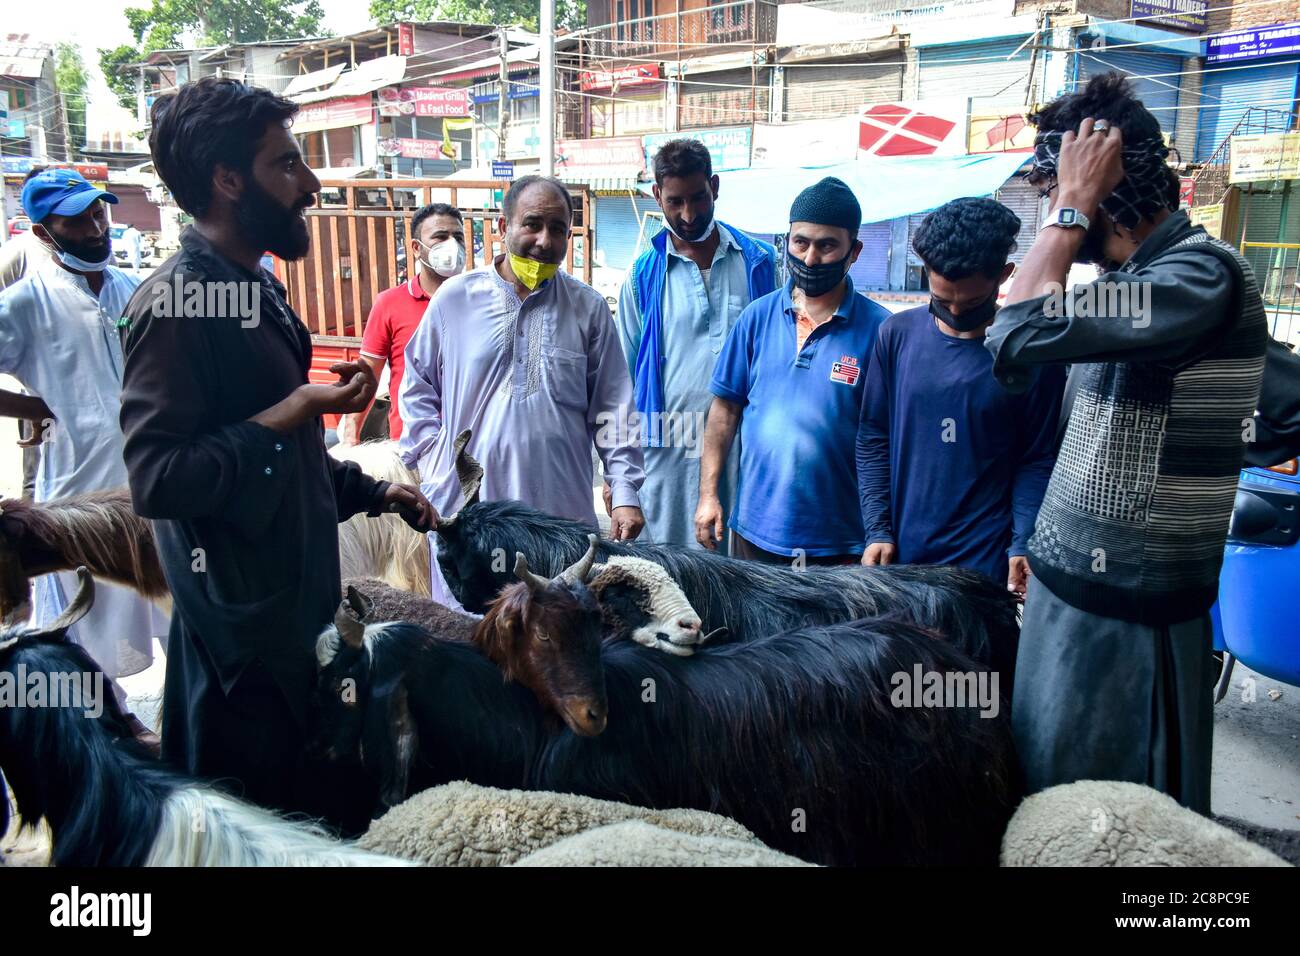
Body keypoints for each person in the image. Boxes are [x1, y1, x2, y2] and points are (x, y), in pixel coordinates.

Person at [118, 77, 435, 814]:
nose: (312, 184)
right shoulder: (174, 303)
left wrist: (369, 491)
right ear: (228, 180)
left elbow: (281, 460)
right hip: (243, 667)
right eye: (287, 164)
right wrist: (291, 410)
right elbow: (158, 480)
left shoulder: (255, 287)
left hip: (298, 636)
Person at [985, 73, 1269, 813]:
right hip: (1076, 594)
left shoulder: (1198, 275)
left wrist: (1070, 207)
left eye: (1061, 190)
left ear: (1107, 186)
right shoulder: (1143, 282)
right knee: (1049, 797)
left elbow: (1014, 327)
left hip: (1127, 617)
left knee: (1111, 823)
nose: (1055, 215)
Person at [399, 174, 646, 607]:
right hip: (470, 513)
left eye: (558, 229)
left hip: (560, 518)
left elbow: (614, 409)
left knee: (555, 639)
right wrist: (432, 463)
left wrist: (624, 494)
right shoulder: (455, 300)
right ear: (502, 227)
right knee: (474, 637)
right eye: (532, 224)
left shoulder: (587, 308)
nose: (544, 240)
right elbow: (417, 386)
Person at [0, 168, 167, 741]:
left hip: (149, 476)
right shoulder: (24, 304)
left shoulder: (130, 287)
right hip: (79, 481)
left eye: (99, 213)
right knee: (85, 601)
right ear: (47, 232)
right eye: (79, 219)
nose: (97, 227)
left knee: (172, 589)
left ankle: (194, 703)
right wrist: (35, 411)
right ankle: (115, 722)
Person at [857, 198, 1064, 594]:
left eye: (969, 302)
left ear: (1004, 276)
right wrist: (878, 529)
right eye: (941, 298)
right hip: (901, 559)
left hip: (984, 564)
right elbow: (873, 437)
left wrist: (1023, 541)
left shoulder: (1030, 353)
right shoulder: (896, 336)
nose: (953, 310)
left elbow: (1036, 457)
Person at [696, 176, 889, 564]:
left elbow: (886, 440)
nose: (811, 259)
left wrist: (882, 530)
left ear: (855, 251)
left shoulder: (881, 331)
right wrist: (709, 495)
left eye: (827, 245)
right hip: (754, 533)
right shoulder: (756, 318)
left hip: (842, 545)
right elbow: (724, 413)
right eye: (801, 242)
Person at [614, 139, 776, 548]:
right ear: (657, 196)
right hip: (668, 450)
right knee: (670, 572)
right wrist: (619, 481)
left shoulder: (760, 263)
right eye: (675, 202)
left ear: (715, 187)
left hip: (746, 446)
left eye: (698, 198)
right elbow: (621, 383)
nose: (688, 214)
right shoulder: (641, 277)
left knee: (739, 571)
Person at [340, 202, 466, 444]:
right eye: (440, 237)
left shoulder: (480, 300)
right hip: (411, 446)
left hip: (470, 446)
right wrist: (350, 436)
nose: (452, 245)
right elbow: (368, 375)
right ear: (416, 248)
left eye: (458, 237)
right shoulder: (390, 303)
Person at [0, 165, 54, 501]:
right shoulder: (18, 254)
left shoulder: (99, 264)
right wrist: (30, 406)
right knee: (40, 478)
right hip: (41, 389)